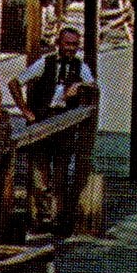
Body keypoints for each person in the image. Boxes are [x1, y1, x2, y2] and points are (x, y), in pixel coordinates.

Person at [9, 22, 98, 229]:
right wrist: (25, 110)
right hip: (42, 120)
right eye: (67, 44)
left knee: (60, 174)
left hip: (65, 123)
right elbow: (15, 82)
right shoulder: (45, 63)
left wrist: (80, 86)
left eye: (74, 45)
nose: (70, 48)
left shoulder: (80, 66)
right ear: (58, 43)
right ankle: (38, 218)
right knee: (39, 174)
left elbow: (93, 86)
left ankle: (57, 219)